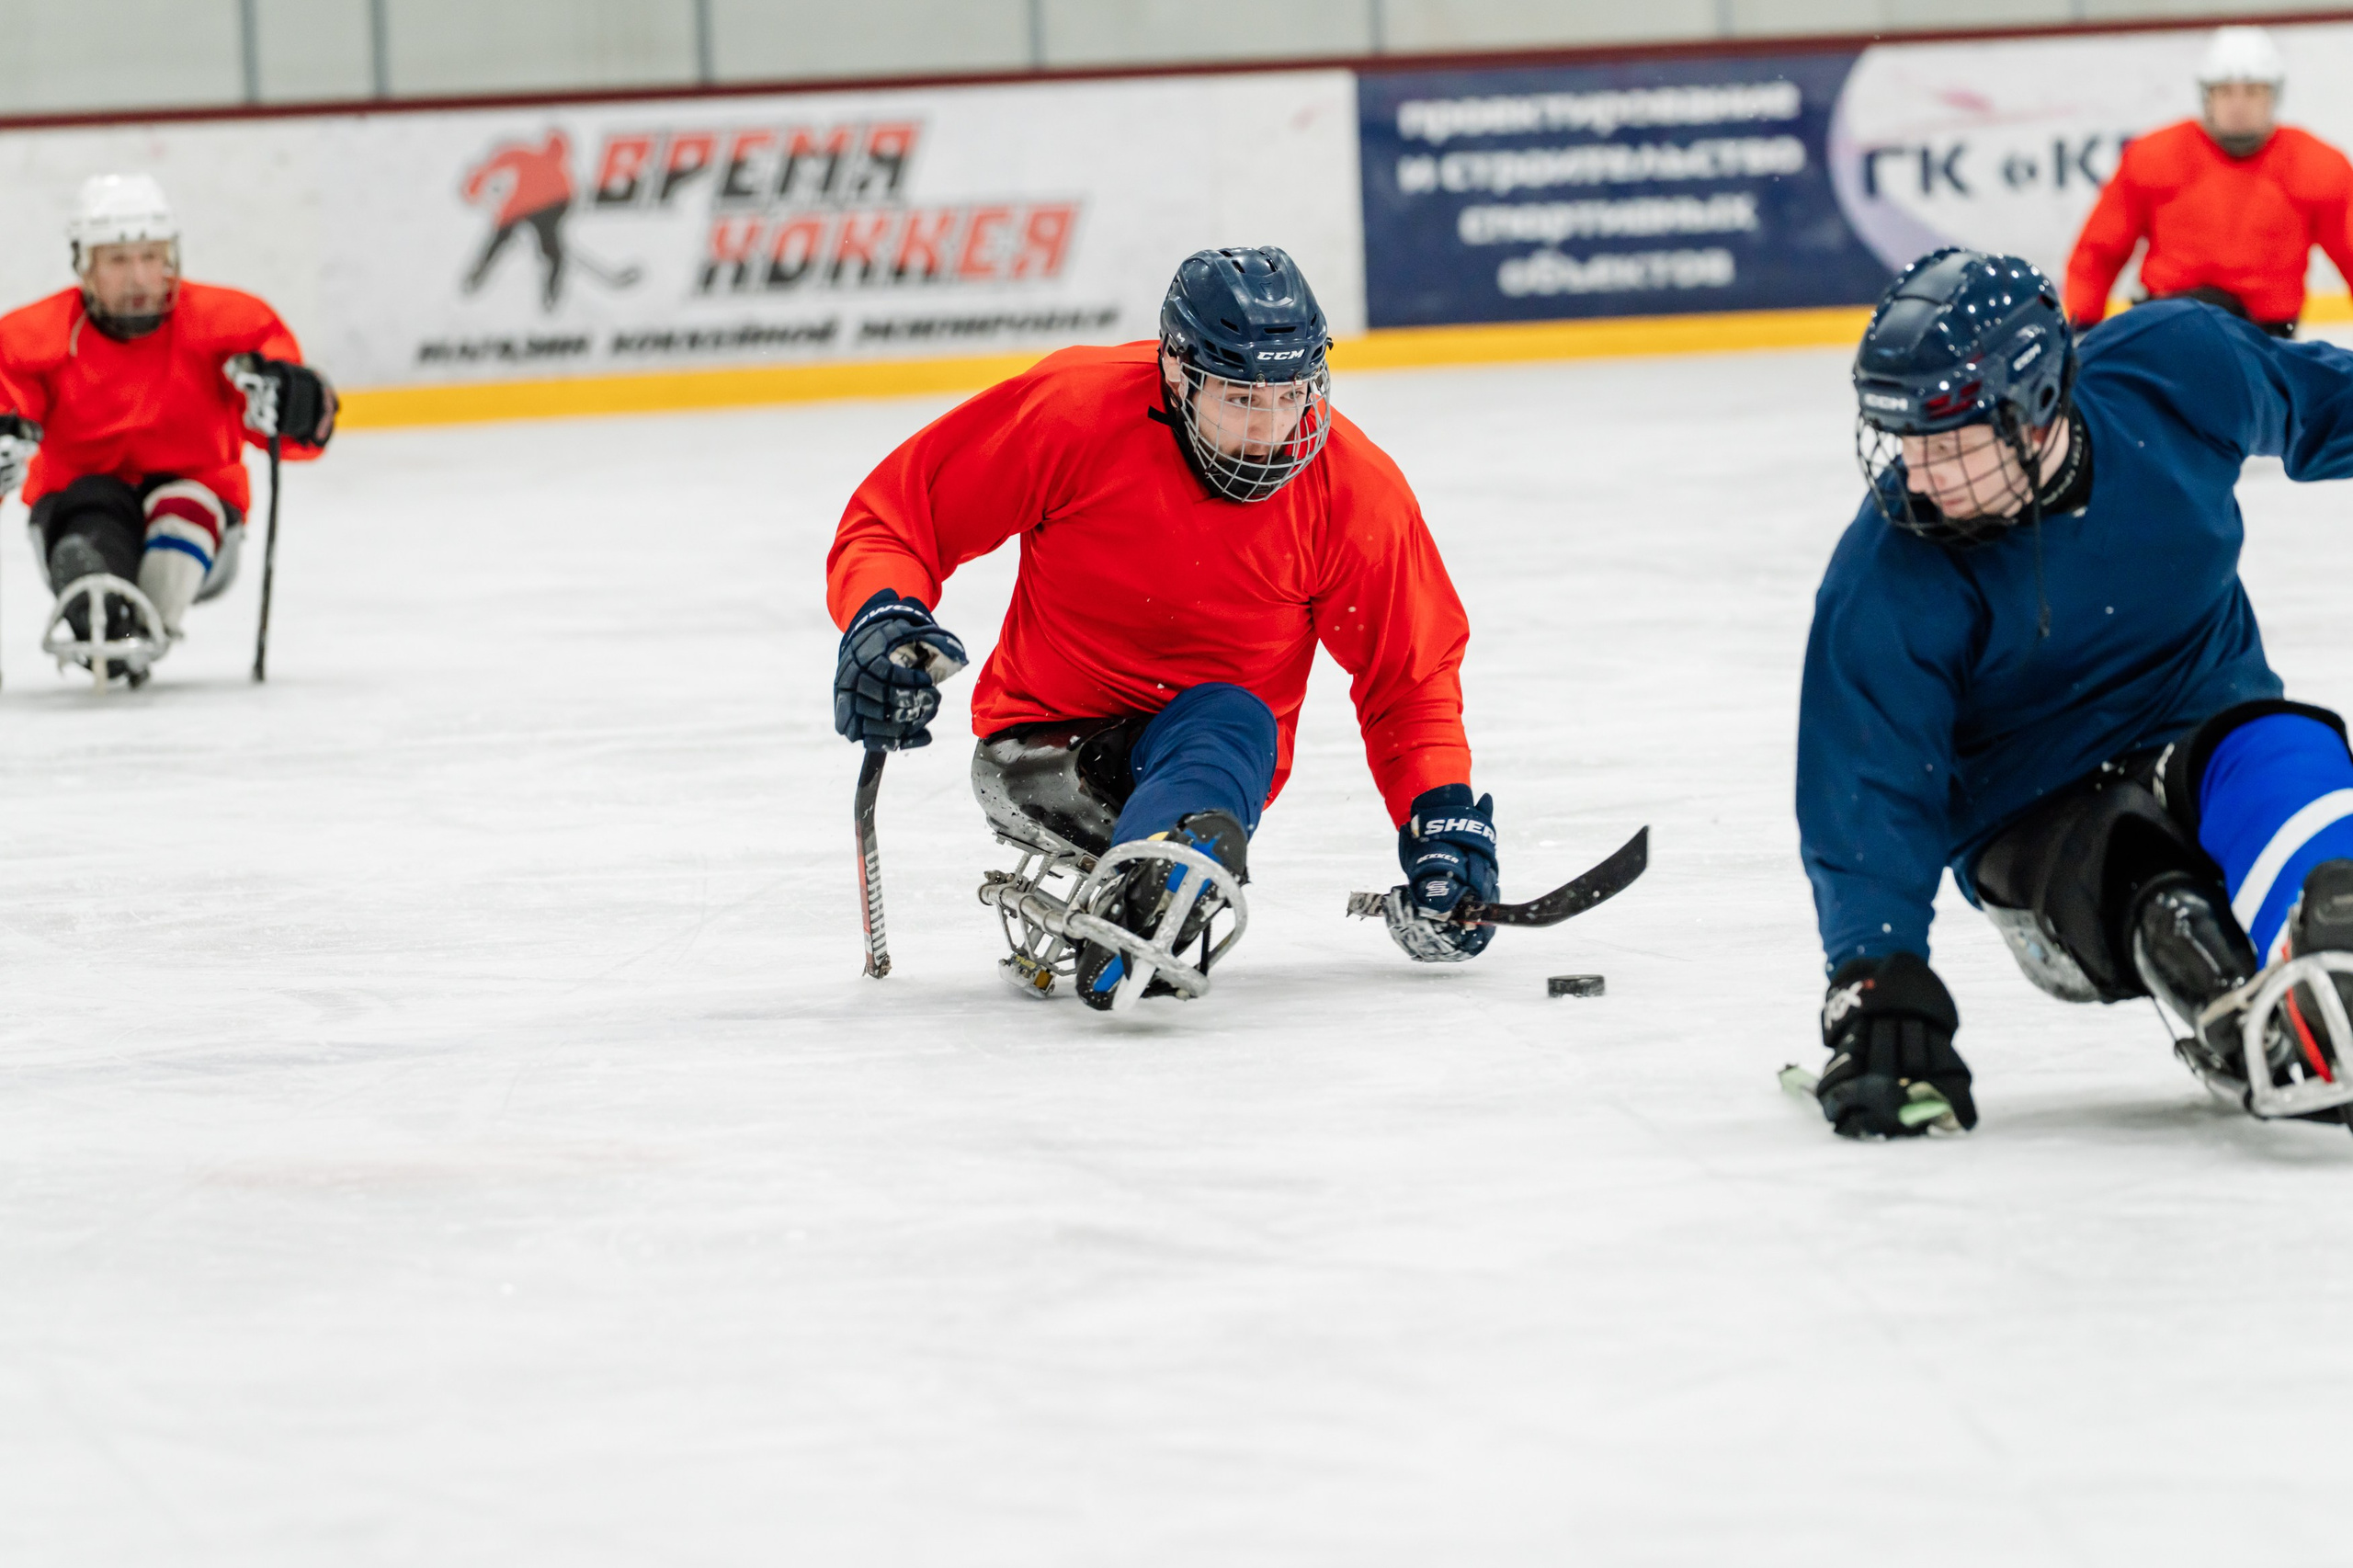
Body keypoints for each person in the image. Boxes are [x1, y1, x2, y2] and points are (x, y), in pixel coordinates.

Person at [827, 245, 1495, 1011]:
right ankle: (1164, 875)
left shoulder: (1356, 492)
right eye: (1242, 399)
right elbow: (898, 519)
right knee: (1235, 717)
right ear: (1178, 373)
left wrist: (1439, 818)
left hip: (1211, 771)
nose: (1274, 429)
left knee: (1230, 716)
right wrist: (882, 616)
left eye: (1293, 394)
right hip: (1044, 745)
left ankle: (1167, 869)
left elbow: (1409, 677)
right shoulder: (1074, 412)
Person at [1796, 247, 2353, 1139]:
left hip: (2203, 715)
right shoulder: (1887, 579)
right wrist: (1876, 972)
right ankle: (2235, 1015)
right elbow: (1868, 788)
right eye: (1904, 440)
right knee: (2144, 871)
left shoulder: (2179, 370)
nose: (1920, 474)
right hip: (2033, 812)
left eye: (1947, 441)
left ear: (2036, 404)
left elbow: (2320, 402)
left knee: (2286, 753)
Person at [0, 174, 335, 685]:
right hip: (78, 506)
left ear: (172, 259)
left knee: (184, 503)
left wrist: (303, 406)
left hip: (202, 518)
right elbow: (9, 399)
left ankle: (137, 629)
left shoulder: (229, 323)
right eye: (117, 260)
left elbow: (293, 434)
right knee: (88, 513)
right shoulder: (33, 337)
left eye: (151, 257)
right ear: (84, 268)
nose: (138, 277)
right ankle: (99, 595)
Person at [2063, 26, 2353, 338]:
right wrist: (2083, 328)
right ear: (2207, 95)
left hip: (2266, 342)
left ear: (2274, 96)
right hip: (2169, 332)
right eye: (2225, 91)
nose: (2239, 105)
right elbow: (2098, 251)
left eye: (2253, 91)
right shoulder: (2154, 156)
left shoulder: (2317, 165)